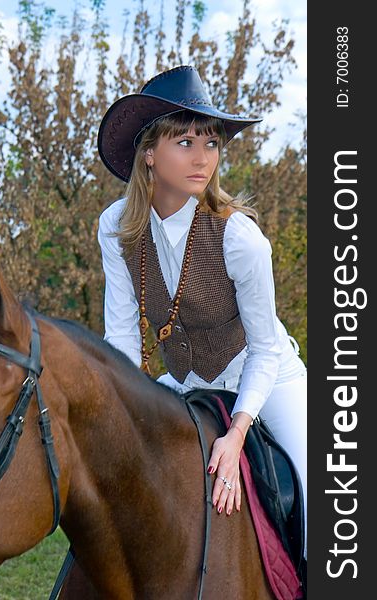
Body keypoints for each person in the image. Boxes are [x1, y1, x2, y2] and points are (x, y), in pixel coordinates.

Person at [96, 65, 307, 553]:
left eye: (211, 144)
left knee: (330, 496)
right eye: (186, 143)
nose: (203, 158)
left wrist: (235, 435)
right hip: (187, 380)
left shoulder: (240, 237)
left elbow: (265, 349)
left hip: (266, 377)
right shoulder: (115, 227)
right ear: (149, 153)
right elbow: (123, 338)